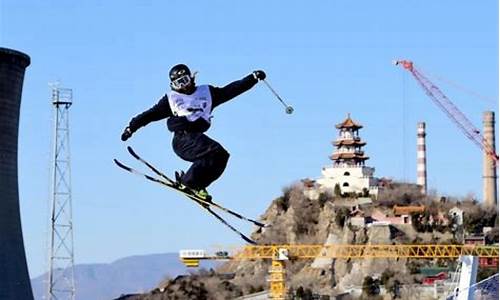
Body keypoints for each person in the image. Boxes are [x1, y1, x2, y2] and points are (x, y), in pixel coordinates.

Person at [121, 64, 266, 200]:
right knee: (214, 150)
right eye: (178, 84)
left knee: (221, 156)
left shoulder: (207, 92)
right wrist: (131, 128)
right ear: (173, 86)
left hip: (197, 138)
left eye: (185, 80)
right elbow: (150, 114)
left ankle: (197, 185)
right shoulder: (172, 99)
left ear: (191, 78)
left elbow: (231, 90)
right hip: (182, 139)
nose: (183, 86)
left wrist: (252, 79)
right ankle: (189, 182)